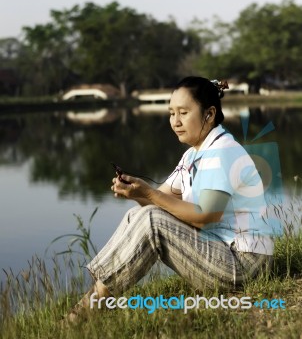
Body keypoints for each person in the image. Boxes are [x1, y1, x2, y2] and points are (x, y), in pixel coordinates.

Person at [66, 76, 275, 320]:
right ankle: (95, 297)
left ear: (209, 114)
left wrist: (149, 193)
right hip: (222, 252)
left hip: (246, 264)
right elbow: (159, 202)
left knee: (152, 221)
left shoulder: (222, 152)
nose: (175, 122)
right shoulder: (192, 156)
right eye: (171, 113)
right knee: (138, 214)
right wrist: (137, 192)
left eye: (183, 113)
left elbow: (205, 216)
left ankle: (83, 312)